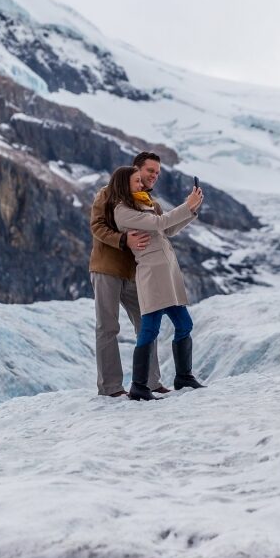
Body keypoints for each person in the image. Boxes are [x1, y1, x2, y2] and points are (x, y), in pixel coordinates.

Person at [106, 165, 207, 401]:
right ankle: (139, 386)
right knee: (150, 329)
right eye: (136, 182)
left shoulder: (142, 204)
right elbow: (160, 223)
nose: (142, 185)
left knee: (184, 324)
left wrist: (191, 209)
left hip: (167, 272)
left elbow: (167, 229)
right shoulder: (122, 211)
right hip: (151, 274)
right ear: (124, 184)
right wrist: (186, 204)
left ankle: (183, 376)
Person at [88, 152, 169, 397]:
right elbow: (97, 226)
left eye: (157, 173)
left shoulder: (151, 203)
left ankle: (150, 382)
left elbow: (162, 228)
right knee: (108, 327)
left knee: (147, 325)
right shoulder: (107, 194)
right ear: (136, 170)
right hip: (107, 268)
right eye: (150, 171)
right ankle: (111, 387)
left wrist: (190, 211)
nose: (154, 176)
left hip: (137, 274)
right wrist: (123, 240)